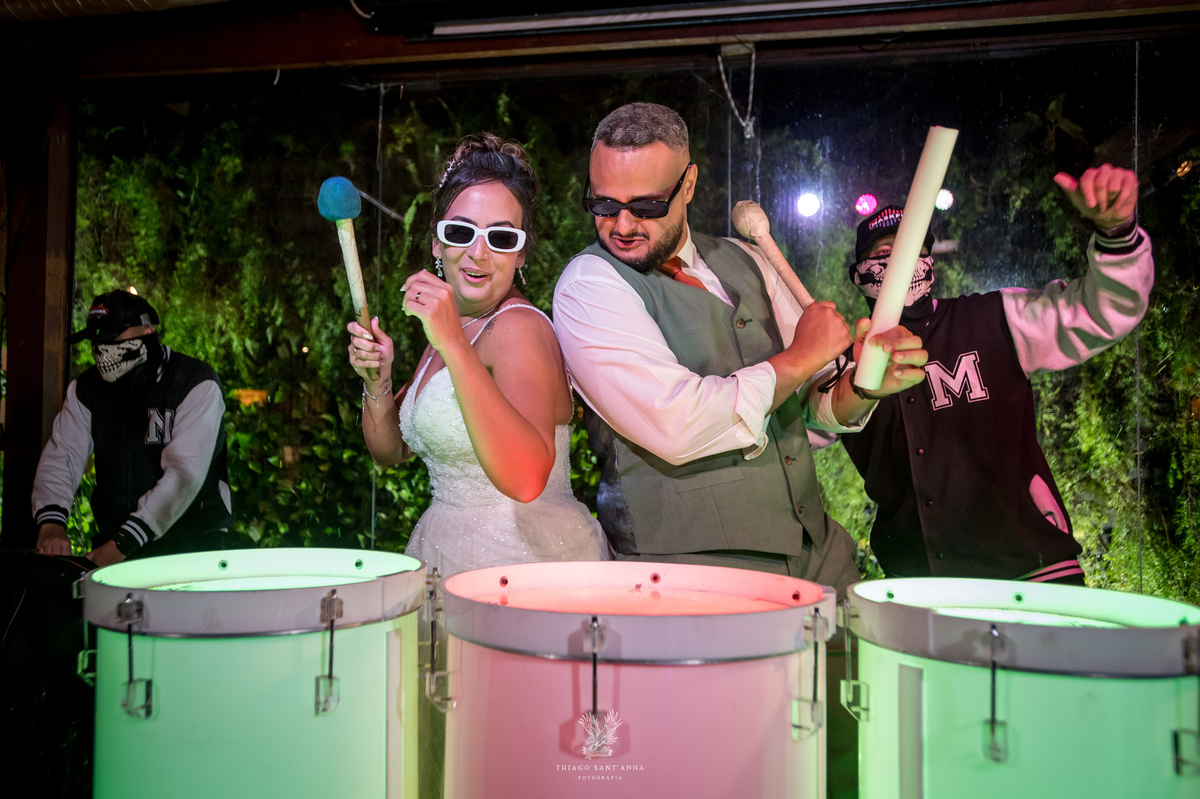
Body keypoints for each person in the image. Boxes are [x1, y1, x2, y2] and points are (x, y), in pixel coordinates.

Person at [552, 102, 927, 597]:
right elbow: (677, 423)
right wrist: (803, 355)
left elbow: (810, 405)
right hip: (689, 579)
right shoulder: (588, 283)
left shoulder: (748, 257)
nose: (622, 226)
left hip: (819, 556)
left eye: (646, 206)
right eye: (603, 204)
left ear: (688, 185)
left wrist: (864, 384)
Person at [840, 164, 1153, 584]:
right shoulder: (840, 369)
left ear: (929, 261)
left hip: (1033, 576)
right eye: (883, 253)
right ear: (859, 274)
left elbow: (1102, 313)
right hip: (919, 593)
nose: (897, 263)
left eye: (910, 249)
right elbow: (787, 430)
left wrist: (1117, 234)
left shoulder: (996, 318)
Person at [347, 133, 610, 577]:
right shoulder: (454, 328)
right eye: (460, 232)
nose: (478, 253)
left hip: (526, 566)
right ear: (437, 243)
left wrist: (452, 344)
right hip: (447, 554)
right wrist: (379, 381)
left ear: (520, 253)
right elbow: (391, 451)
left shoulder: (518, 328)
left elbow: (527, 481)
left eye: (501, 237)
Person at [32, 290, 233, 567]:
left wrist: (122, 543)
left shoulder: (194, 383)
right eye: (96, 340)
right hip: (115, 541)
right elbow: (62, 456)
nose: (102, 348)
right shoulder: (87, 390)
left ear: (148, 330)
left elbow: (184, 474)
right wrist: (51, 524)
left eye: (112, 338)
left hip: (191, 545)